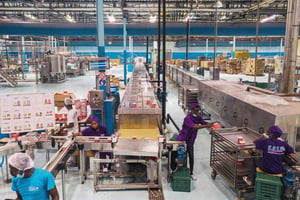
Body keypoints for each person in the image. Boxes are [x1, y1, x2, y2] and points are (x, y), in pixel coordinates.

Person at [176, 103, 214, 180]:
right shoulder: (187, 118)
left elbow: (205, 123)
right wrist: (206, 126)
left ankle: (191, 172)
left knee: (191, 155)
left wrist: (212, 124)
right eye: (196, 110)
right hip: (182, 138)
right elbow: (195, 126)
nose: (197, 112)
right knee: (180, 155)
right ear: (192, 110)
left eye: (198, 110)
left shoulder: (198, 117)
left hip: (191, 139)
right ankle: (177, 169)